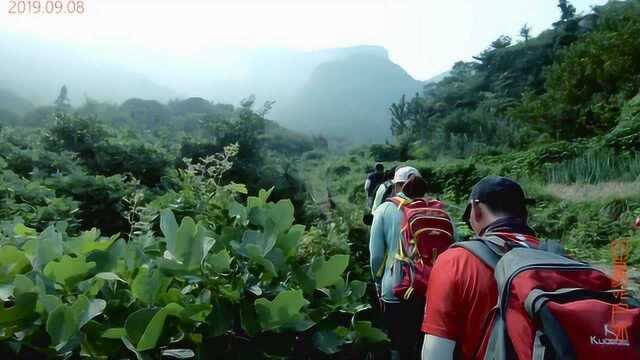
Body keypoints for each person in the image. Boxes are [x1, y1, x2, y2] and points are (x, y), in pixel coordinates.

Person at [421, 176, 539, 360]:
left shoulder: (456, 261)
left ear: (476, 209)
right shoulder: (562, 259)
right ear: (525, 213)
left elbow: (435, 353)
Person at [370, 166, 432, 360]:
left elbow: (376, 256)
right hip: (431, 289)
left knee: (398, 342)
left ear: (397, 186)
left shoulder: (384, 209)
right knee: (424, 342)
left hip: (395, 288)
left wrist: (378, 283)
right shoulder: (437, 210)